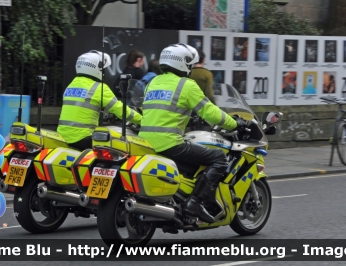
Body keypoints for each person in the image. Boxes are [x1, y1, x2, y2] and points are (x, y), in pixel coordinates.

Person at [138, 43, 248, 223]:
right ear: (182, 63)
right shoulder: (186, 85)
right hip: (170, 144)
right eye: (188, 63)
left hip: (145, 143)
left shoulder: (152, 82)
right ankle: (195, 202)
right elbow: (210, 112)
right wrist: (234, 123)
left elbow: (163, 112)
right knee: (218, 158)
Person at [57, 50, 142, 151]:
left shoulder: (71, 85)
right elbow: (121, 110)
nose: (104, 72)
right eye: (103, 69)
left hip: (62, 137)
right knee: (120, 146)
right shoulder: (98, 87)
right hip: (83, 138)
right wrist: (142, 120)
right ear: (96, 68)